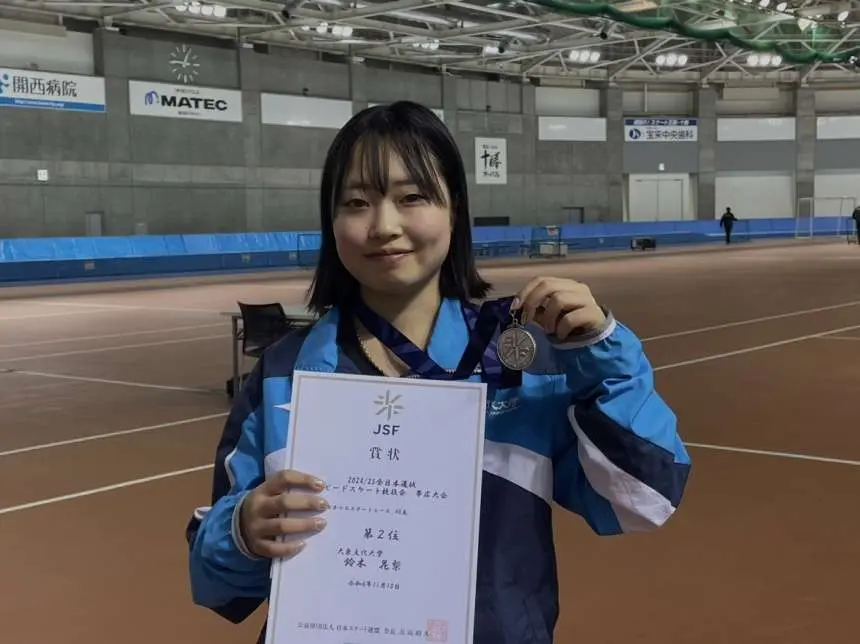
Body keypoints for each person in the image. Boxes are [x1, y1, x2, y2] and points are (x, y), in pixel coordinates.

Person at [185, 101, 691, 643]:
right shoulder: (283, 375)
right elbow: (217, 587)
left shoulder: (524, 368)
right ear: (331, 223)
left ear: (455, 211)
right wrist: (241, 531)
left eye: (412, 197)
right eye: (356, 202)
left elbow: (642, 500)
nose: (383, 226)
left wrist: (603, 356)